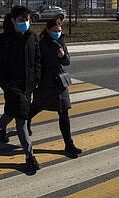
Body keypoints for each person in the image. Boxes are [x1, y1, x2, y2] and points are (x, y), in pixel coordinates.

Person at [0, 5, 41, 172]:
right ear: (12, 20)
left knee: (14, 110)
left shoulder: (32, 36)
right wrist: (7, 86)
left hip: (28, 85)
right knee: (22, 119)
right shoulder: (3, 40)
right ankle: (29, 156)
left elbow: (37, 59)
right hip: (13, 86)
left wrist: (36, 79)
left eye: (27, 20)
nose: (25, 23)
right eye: (21, 20)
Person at [28, 18, 82, 158]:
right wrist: (36, 80)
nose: (57, 33)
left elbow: (67, 61)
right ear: (47, 30)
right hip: (45, 82)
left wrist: (63, 56)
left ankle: (69, 144)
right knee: (38, 106)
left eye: (59, 31)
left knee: (64, 112)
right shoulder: (41, 44)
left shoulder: (61, 42)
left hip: (59, 81)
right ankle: (26, 120)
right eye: (54, 31)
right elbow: (36, 63)